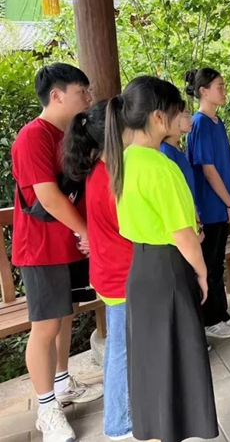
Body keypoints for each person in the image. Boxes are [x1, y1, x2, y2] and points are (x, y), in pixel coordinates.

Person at [105, 76, 218, 442]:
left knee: (152, 359)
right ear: (158, 117)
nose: (180, 118)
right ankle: (175, 432)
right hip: (169, 268)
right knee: (178, 357)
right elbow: (183, 233)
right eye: (175, 112)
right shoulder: (159, 165)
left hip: (141, 268)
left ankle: (155, 429)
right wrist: (202, 272)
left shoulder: (125, 159)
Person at [11, 63, 103, 442]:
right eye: (82, 92)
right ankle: (47, 409)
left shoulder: (69, 134)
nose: (89, 99)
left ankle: (62, 382)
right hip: (40, 249)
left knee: (65, 316)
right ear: (56, 95)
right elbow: (47, 196)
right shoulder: (33, 136)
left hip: (67, 244)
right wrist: (87, 232)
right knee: (46, 326)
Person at [63, 101, 133, 441]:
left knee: (120, 345)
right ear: (117, 133)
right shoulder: (112, 177)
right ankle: (120, 421)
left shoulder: (100, 170)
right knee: (121, 348)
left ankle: (123, 413)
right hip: (121, 273)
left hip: (109, 270)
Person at [185, 68, 230, 338]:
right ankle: (210, 320)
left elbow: (223, 165)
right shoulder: (199, 123)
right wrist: (228, 201)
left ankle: (222, 314)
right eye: (219, 86)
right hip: (209, 207)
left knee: (218, 262)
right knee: (208, 266)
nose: (224, 91)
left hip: (222, 204)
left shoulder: (217, 122)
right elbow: (208, 170)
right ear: (203, 91)